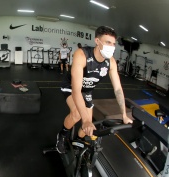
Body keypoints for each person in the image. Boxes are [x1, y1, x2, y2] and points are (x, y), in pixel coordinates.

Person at [56, 26, 133, 154]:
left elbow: (118, 89)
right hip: (71, 87)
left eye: (113, 44)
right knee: (77, 114)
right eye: (108, 42)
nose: (112, 47)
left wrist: (124, 114)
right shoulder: (82, 54)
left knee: (89, 125)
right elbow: (76, 91)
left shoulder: (111, 62)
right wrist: (84, 120)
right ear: (97, 41)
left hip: (87, 90)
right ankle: (62, 135)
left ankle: (77, 140)